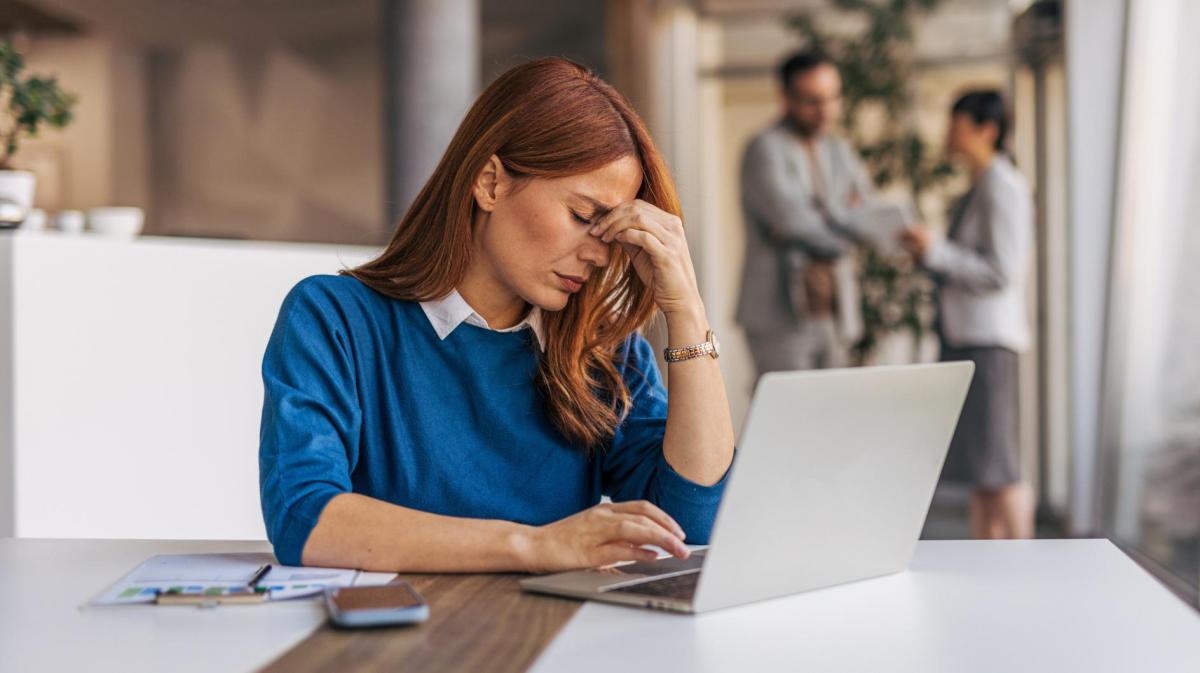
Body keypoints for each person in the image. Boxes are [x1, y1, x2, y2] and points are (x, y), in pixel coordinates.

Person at [258, 58, 735, 573]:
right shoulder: (335, 320)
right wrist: (533, 546)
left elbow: (690, 524)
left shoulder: (606, 353)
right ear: (490, 182)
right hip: (389, 642)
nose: (600, 254)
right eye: (582, 216)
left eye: (612, 230)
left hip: (555, 639)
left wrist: (686, 309)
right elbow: (305, 519)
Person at [900, 90, 1034, 539]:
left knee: (1000, 467)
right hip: (968, 337)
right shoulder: (980, 186)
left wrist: (937, 252)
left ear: (987, 131)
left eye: (957, 125)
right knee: (983, 468)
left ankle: (1022, 563)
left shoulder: (1003, 185)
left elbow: (1001, 271)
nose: (948, 134)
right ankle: (991, 558)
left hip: (989, 340)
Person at [736, 49, 873, 375]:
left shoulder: (840, 150)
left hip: (834, 309)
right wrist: (843, 219)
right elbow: (791, 220)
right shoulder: (764, 148)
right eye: (812, 100)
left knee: (832, 411)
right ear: (784, 97)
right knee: (785, 414)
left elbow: (868, 214)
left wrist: (821, 219)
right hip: (778, 311)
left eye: (831, 98)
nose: (825, 110)